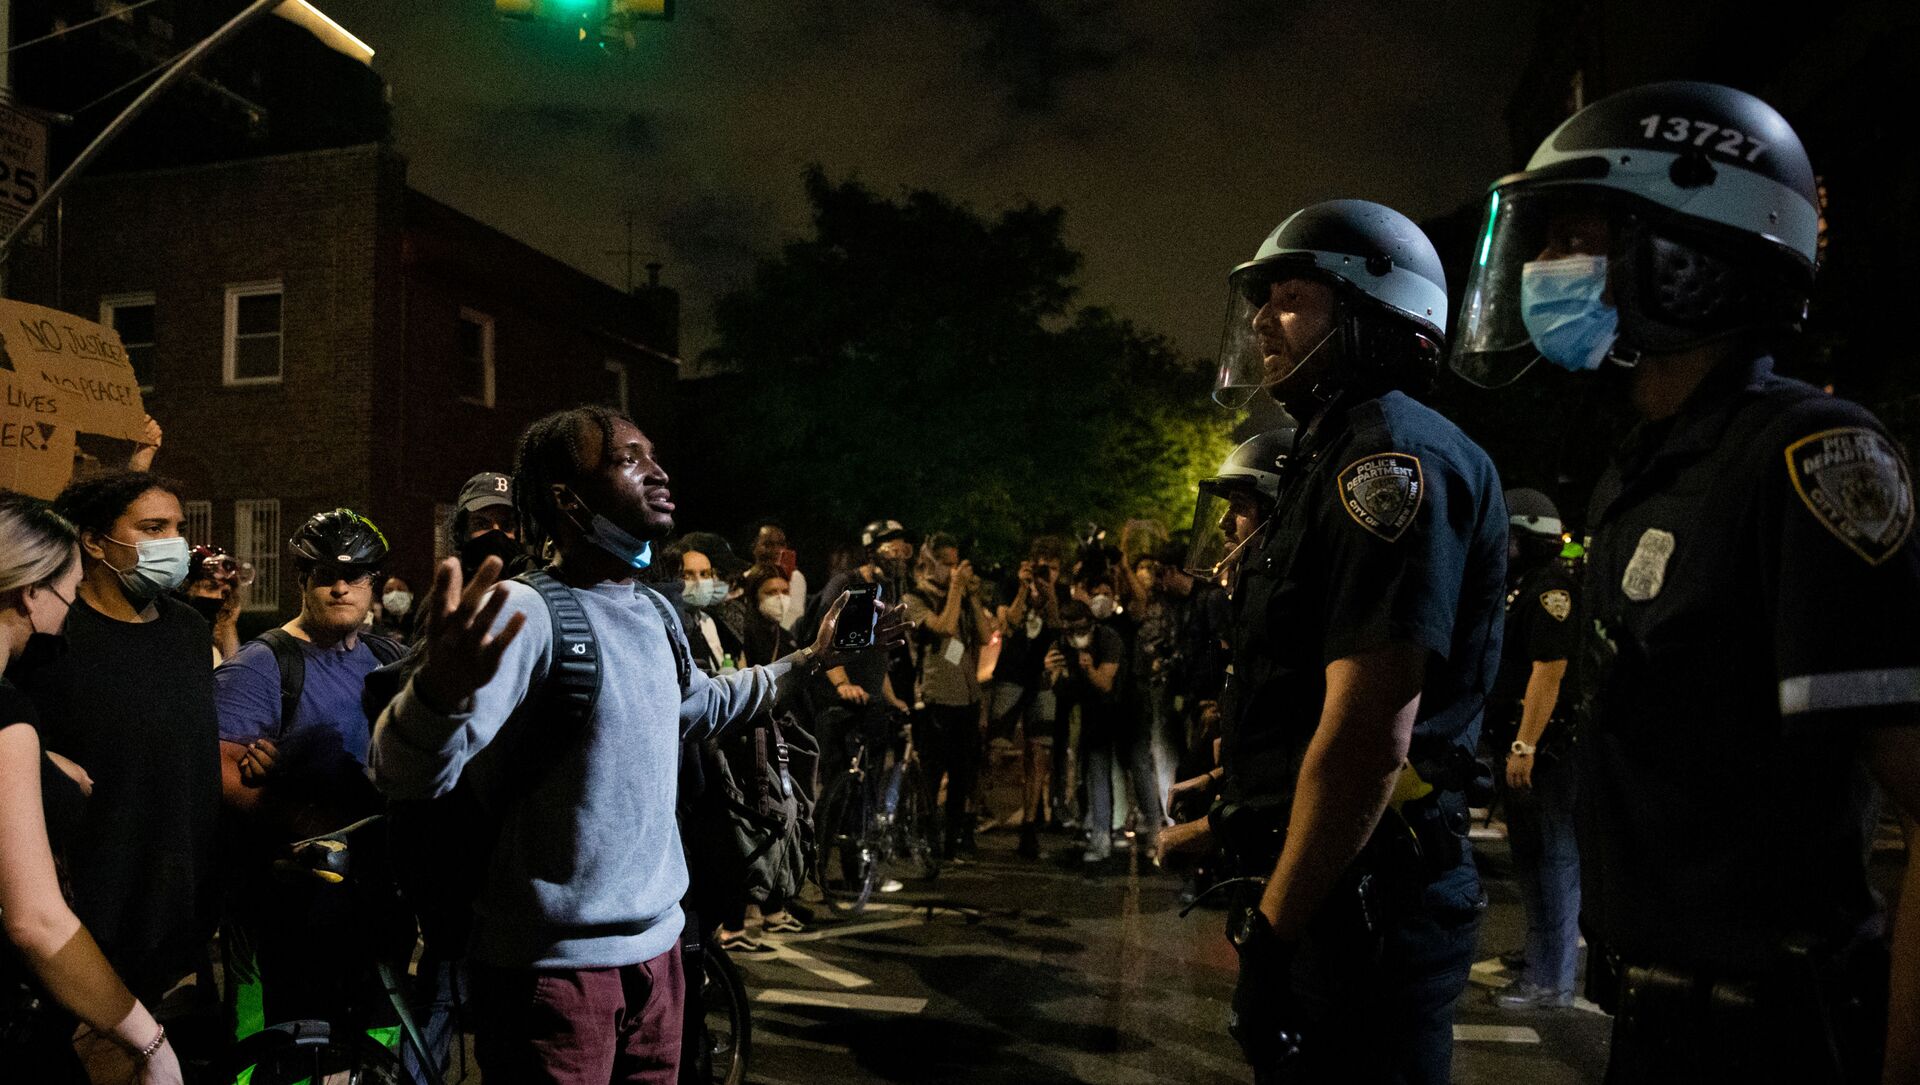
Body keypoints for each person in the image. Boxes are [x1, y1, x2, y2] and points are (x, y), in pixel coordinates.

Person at [1451, 81, 1920, 1084]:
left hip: (1776, 1038)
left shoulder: (1810, 455)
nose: (1545, 267)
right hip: (1656, 1026)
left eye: (1573, 234)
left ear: (1688, 245)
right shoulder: (1644, 468)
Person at [369, 405, 905, 1083]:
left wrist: (809, 661)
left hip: (660, 959)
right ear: (568, 500)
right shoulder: (526, 611)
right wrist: (434, 699)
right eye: (627, 459)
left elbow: (696, 705)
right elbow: (402, 772)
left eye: (652, 455)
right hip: (554, 978)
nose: (658, 472)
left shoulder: (653, 609)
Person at [1208, 199, 1506, 1083]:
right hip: (1332, 886)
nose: (1263, 320)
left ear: (1373, 314)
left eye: (1292, 297)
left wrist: (1273, 936)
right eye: (1262, 302)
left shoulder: (1389, 459)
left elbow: (1369, 737)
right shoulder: (1328, 452)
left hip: (1367, 903)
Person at [13, 471, 220, 1078]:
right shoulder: (50, 633)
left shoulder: (188, 630)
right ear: (94, 541)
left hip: (175, 912)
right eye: (153, 528)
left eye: (178, 527)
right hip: (81, 917)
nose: (173, 543)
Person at [215, 509, 400, 1028]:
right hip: (287, 901)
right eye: (326, 576)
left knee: (376, 1032)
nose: (341, 588)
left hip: (373, 891)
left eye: (354, 576)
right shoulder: (262, 663)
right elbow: (221, 771)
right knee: (283, 1039)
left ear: (372, 584)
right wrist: (308, 824)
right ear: (302, 581)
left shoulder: (388, 656)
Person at [1484, 488, 1581, 1010]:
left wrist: (1526, 744)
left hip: (1548, 751)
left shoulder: (1551, 592)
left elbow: (1549, 672)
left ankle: (1552, 979)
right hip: (1525, 745)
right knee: (1530, 859)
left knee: (1552, 861)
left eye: (1510, 537)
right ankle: (1541, 956)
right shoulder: (1522, 588)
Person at [901, 532, 995, 861]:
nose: (953, 570)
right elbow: (943, 627)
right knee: (932, 773)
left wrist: (972, 596)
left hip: (966, 699)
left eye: (956, 564)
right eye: (946, 563)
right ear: (929, 562)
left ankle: (953, 842)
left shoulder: (960, 596)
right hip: (935, 697)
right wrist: (956, 588)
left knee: (961, 775)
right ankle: (926, 839)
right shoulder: (914, 598)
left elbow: (985, 636)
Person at [992, 536, 1067, 858]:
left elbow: (1059, 626)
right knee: (996, 747)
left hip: (1043, 680)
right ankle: (974, 813)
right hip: (1011, 674)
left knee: (1039, 751)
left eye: (1053, 568)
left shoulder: (1061, 593)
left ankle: (1029, 825)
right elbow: (1008, 623)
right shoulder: (1011, 585)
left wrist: (1050, 594)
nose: (1047, 573)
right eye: (1042, 567)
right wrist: (1024, 588)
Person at [448, 471, 529, 580]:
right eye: (481, 524)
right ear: (461, 531)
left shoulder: (533, 587)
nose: (496, 533)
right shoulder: (450, 589)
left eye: (507, 525)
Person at [177, 543, 248, 663]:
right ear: (185, 588)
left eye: (224, 593)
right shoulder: (171, 636)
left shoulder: (214, 642)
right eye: (211, 588)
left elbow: (234, 671)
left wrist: (228, 625)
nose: (218, 597)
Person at [748, 521, 806, 633]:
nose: (777, 550)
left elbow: (792, 620)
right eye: (768, 545)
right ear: (753, 547)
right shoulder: (744, 577)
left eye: (781, 544)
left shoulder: (795, 578)